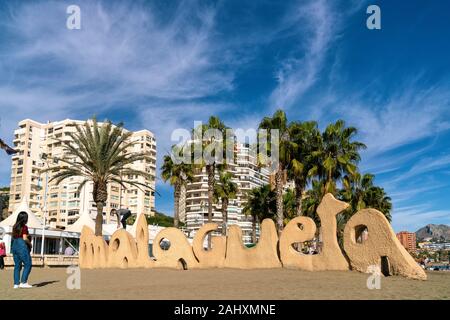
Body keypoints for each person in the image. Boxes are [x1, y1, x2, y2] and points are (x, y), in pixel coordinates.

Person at [11, 211, 33, 289]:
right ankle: (23, 282)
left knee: (17, 265)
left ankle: (16, 284)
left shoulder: (14, 226)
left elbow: (13, 237)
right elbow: (24, 238)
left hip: (14, 245)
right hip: (21, 245)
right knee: (28, 264)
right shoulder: (24, 226)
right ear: (25, 218)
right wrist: (30, 244)